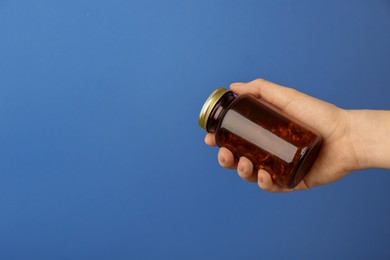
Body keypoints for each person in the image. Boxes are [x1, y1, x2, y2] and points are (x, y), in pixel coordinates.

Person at [204, 78, 390, 192]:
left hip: (305, 150)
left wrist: (347, 134)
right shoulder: (223, 134)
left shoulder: (243, 102)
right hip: (304, 155)